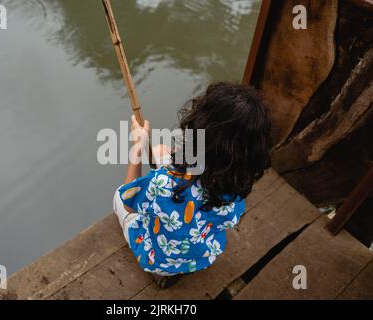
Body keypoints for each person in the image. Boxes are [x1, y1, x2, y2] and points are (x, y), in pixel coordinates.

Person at [113, 82, 272, 289]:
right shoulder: (238, 184)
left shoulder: (163, 183)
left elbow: (128, 201)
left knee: (119, 195)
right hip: (203, 256)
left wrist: (138, 146)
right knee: (163, 151)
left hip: (160, 261)